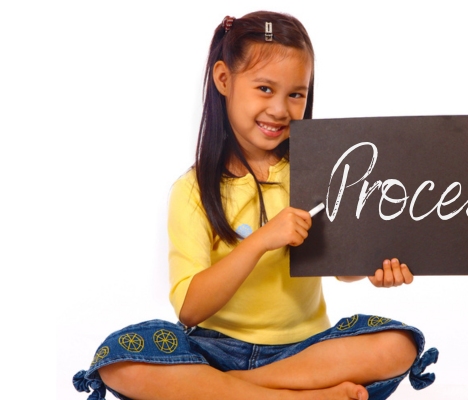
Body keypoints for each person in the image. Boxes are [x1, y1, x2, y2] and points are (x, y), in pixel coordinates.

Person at [73, 11, 438, 400]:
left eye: (296, 94)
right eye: (265, 89)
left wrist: (371, 267)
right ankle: (289, 396)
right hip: (214, 350)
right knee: (119, 359)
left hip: (305, 351)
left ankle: (229, 393)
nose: (280, 110)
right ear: (224, 79)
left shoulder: (317, 173)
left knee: (398, 345)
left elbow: (339, 266)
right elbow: (190, 309)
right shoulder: (193, 190)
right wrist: (263, 240)